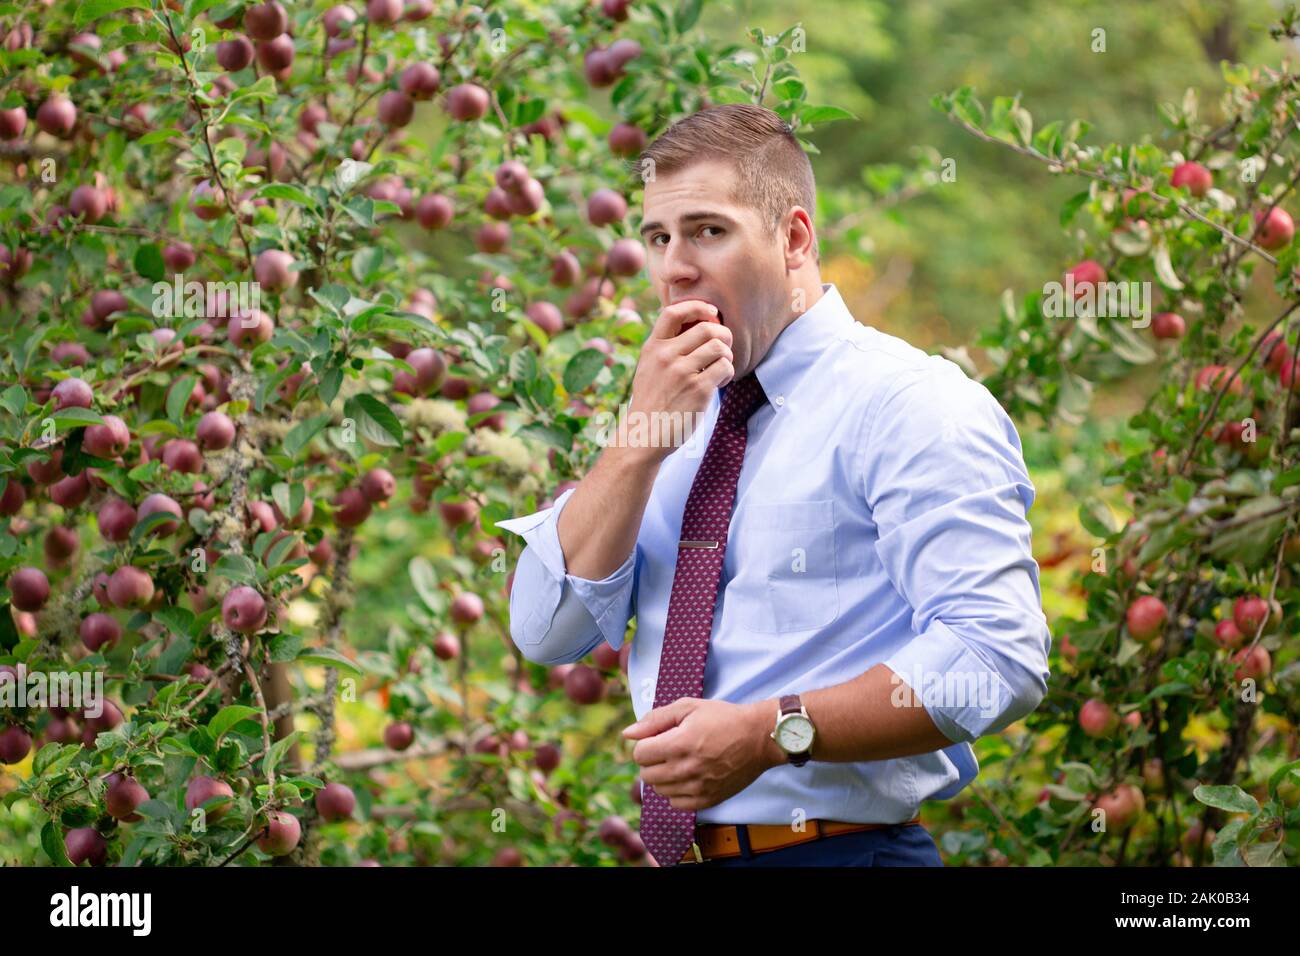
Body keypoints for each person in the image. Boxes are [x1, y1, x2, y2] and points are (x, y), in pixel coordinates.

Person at [498, 103, 1051, 867]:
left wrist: (770, 732)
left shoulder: (910, 404)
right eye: (659, 238)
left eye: (708, 231)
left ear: (793, 238)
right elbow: (546, 633)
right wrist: (636, 440)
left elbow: (997, 659)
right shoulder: (669, 415)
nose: (674, 268)